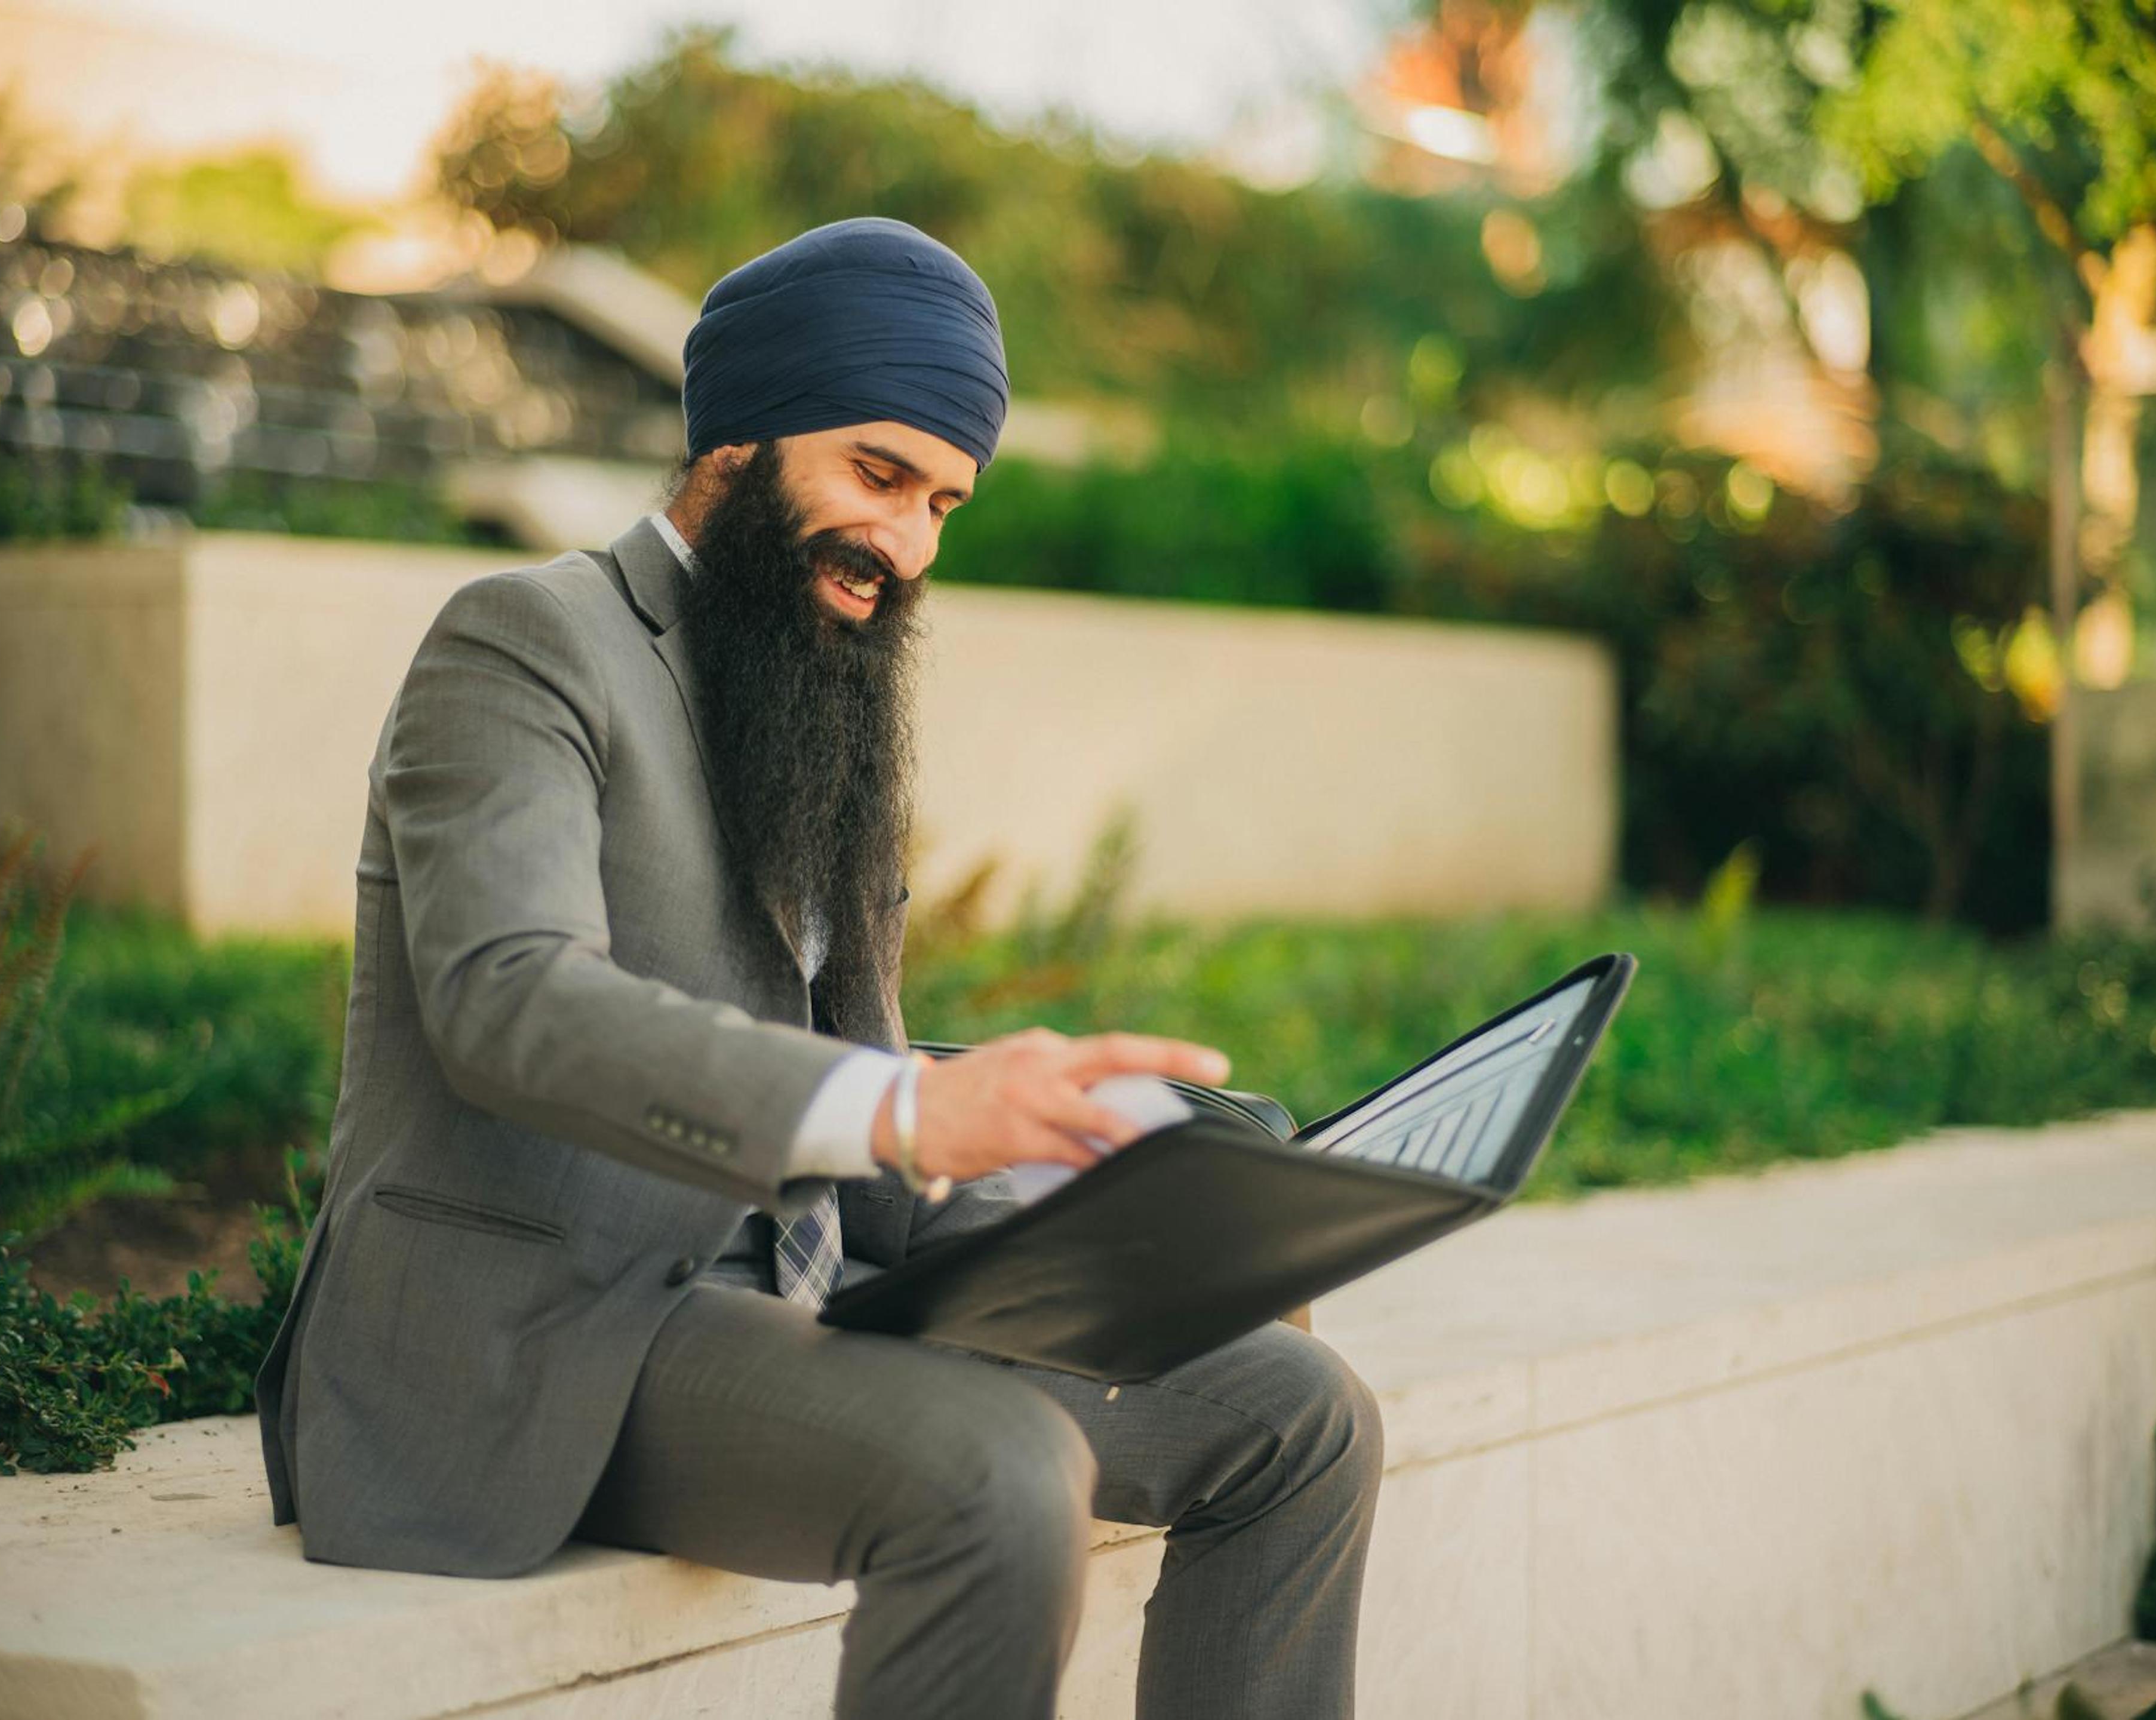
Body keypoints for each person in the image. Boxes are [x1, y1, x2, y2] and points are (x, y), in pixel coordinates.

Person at [256, 217, 1383, 1719]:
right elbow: (507, 999)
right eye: (877, 475)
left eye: (942, 505)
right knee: (1000, 1473)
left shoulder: (822, 699)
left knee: (1299, 1410)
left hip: (794, 1304)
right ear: (737, 446)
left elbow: (879, 1152)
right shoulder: (525, 641)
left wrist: (1149, 1228)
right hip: (546, 1336)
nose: (907, 546)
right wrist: (908, 1108)